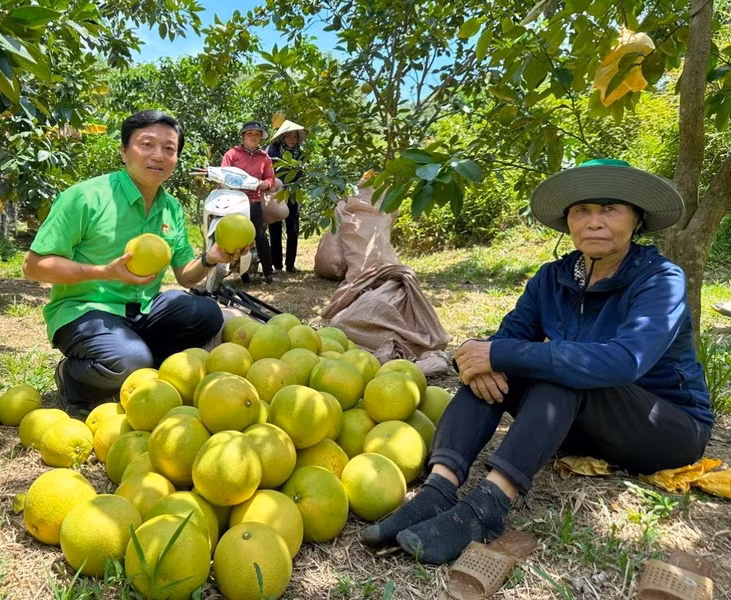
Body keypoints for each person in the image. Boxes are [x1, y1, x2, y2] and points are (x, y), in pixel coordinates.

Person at [360, 159, 714, 566]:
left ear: (637, 220)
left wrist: (500, 352)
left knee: (559, 370)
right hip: (585, 425)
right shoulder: (552, 278)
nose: (594, 222)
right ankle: (439, 488)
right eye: (582, 211)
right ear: (569, 223)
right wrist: (478, 357)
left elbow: (624, 360)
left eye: (610, 209)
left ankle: (487, 507)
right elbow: (506, 340)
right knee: (496, 368)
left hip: (667, 429)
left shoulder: (659, 279)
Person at [24, 110, 234, 414]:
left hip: (142, 312)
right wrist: (103, 272)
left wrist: (209, 258)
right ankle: (72, 377)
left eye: (169, 149)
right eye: (146, 144)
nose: (158, 155)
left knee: (205, 312)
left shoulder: (171, 208)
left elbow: (186, 276)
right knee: (131, 361)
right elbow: (34, 266)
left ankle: (145, 367)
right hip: (85, 310)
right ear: (124, 152)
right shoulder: (86, 197)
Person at [221, 121, 276, 284]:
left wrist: (266, 184)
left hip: (253, 201)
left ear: (260, 138)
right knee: (234, 236)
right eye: (250, 133)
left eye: (257, 134)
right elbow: (223, 174)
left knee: (258, 235)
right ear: (243, 136)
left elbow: (270, 178)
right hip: (233, 200)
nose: (254, 137)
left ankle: (268, 273)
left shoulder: (264, 158)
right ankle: (241, 273)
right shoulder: (232, 154)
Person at [266, 120, 307, 274]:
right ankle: (277, 266)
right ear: (282, 137)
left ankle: (290, 265)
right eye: (289, 136)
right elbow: (267, 170)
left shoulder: (300, 154)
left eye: (294, 136)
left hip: (293, 195)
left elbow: (302, 175)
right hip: (276, 194)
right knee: (275, 229)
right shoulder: (272, 150)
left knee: (293, 229)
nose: (292, 139)